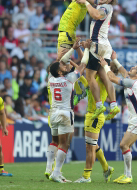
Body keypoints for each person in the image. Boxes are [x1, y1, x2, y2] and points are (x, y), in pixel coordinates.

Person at [100, 51, 137, 184]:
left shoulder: (134, 83)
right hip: (136, 118)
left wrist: (106, 66)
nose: (132, 68)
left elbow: (112, 78)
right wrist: (115, 61)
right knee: (126, 146)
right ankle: (127, 174)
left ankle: (128, 176)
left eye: (135, 68)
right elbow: (123, 71)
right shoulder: (132, 80)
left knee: (123, 144)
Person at [47, 39, 90, 183]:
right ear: (59, 71)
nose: (65, 66)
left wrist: (73, 49)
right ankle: (56, 172)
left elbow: (62, 62)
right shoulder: (69, 79)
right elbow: (83, 65)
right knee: (64, 144)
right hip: (65, 113)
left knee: (55, 141)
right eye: (62, 66)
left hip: (53, 113)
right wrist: (87, 49)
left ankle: (51, 169)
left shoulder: (50, 79)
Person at [76, 0, 120, 120]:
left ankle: (99, 105)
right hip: (105, 45)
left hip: (97, 44)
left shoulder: (105, 7)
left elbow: (94, 14)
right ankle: (113, 105)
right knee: (103, 76)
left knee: (89, 76)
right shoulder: (102, 4)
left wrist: (87, 4)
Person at [74, 61, 119, 183]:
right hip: (91, 115)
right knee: (92, 146)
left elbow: (86, 72)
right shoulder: (95, 79)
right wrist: (72, 62)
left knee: (89, 148)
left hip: (95, 115)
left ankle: (86, 176)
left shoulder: (103, 81)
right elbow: (83, 73)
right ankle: (106, 168)